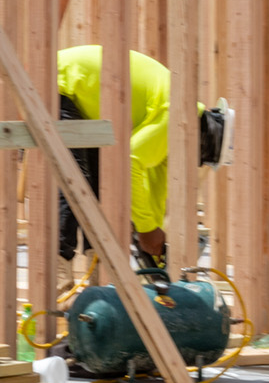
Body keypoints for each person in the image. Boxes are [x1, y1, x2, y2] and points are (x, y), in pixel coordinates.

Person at [55, 44, 232, 266]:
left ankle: (98, 272)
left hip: (82, 98)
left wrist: (153, 245)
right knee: (75, 181)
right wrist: (147, 230)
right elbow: (130, 163)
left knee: (100, 189)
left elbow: (154, 195)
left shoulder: (174, 132)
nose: (198, 162)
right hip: (57, 83)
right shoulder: (174, 116)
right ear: (205, 141)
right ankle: (58, 268)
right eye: (204, 157)